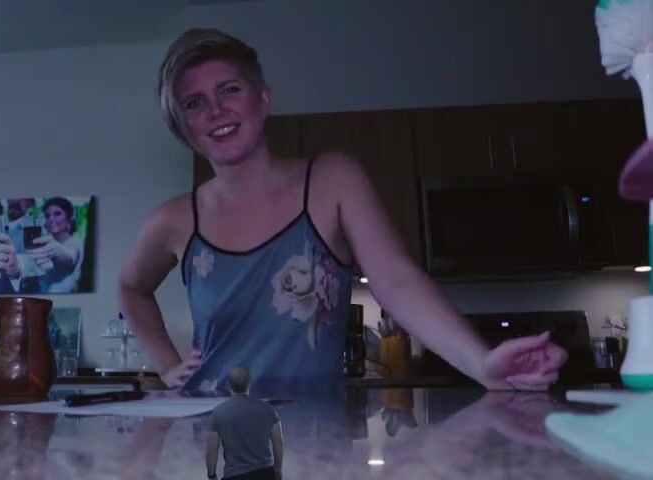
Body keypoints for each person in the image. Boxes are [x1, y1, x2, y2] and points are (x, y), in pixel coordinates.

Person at [118, 29, 567, 395]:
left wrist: (483, 364)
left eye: (229, 90)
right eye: (194, 103)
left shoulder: (332, 180)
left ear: (264, 99)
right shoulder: (174, 220)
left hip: (318, 436)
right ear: (184, 129)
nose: (216, 110)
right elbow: (131, 287)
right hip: (213, 433)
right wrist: (168, 365)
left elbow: (397, 282)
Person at [206, 368, 283, 480]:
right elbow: (279, 443)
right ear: (249, 384)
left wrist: (212, 476)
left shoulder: (218, 412)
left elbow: (211, 450)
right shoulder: (268, 409)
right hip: (265, 473)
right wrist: (277, 470)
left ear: (228, 385)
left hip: (235, 475)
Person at [32, 197, 84, 293]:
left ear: (69, 218)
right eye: (47, 216)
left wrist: (52, 252)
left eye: (57, 214)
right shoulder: (45, 243)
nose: (51, 219)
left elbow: (70, 257)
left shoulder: (75, 242)